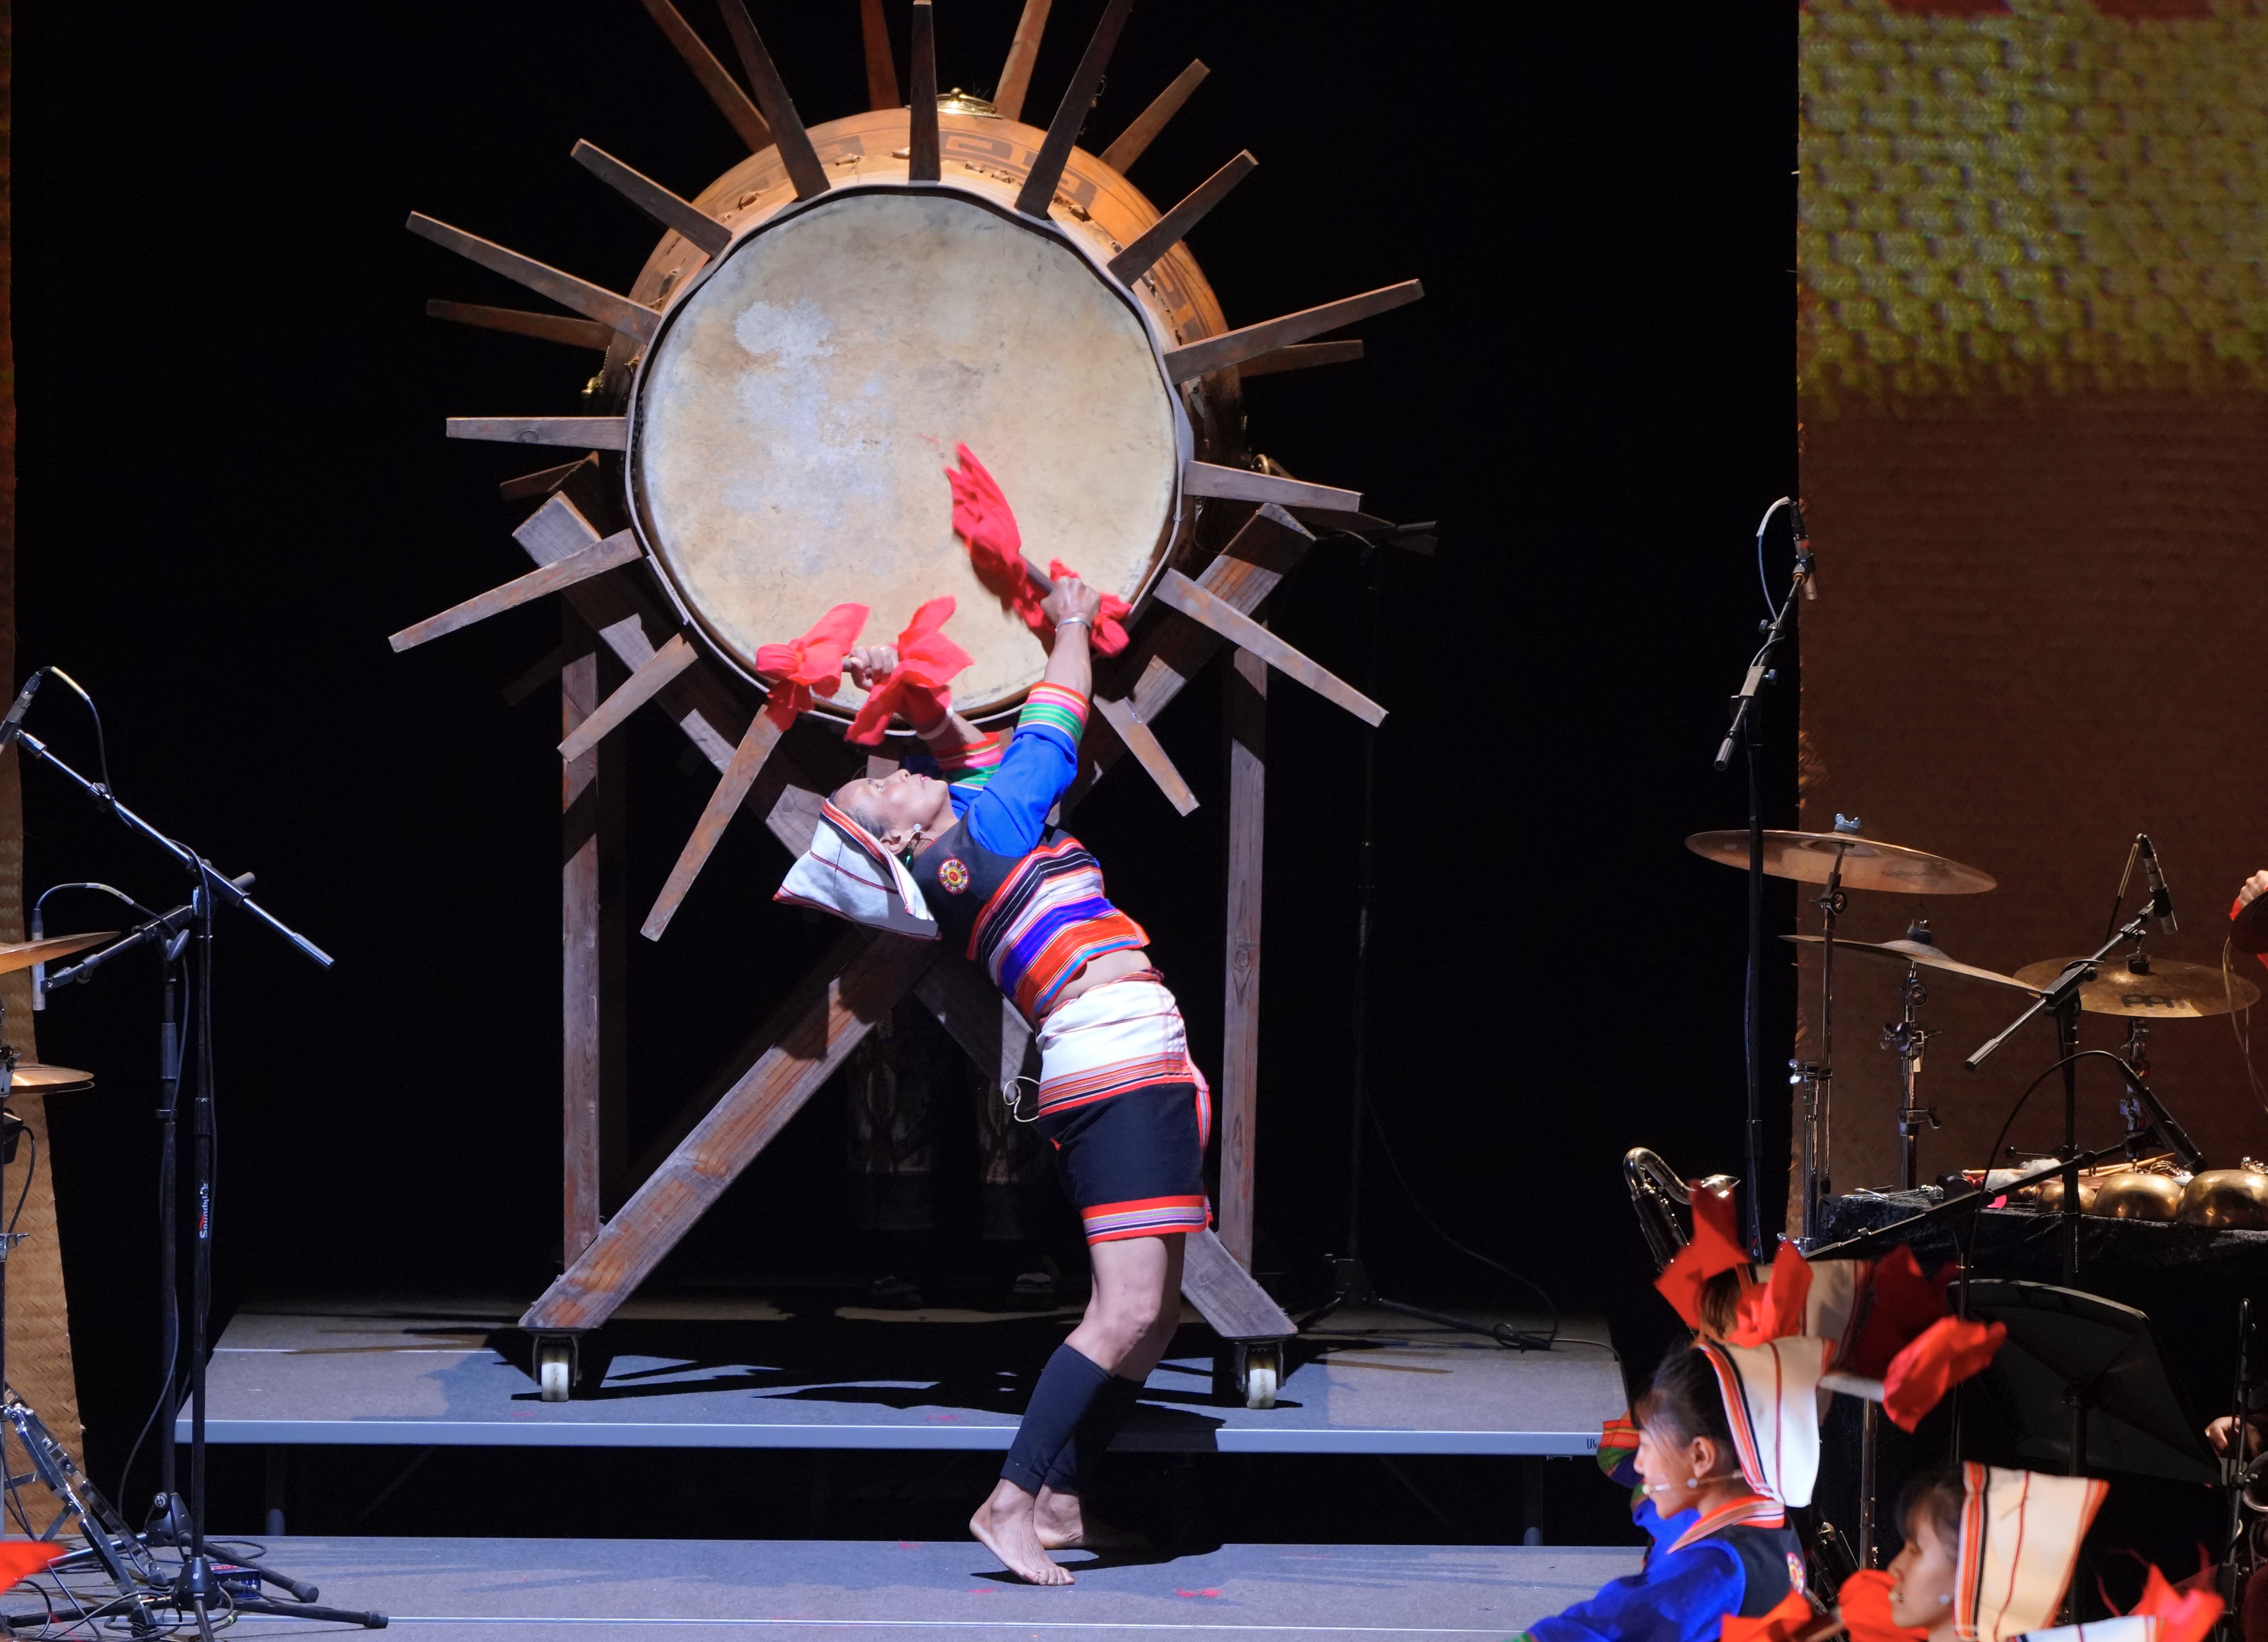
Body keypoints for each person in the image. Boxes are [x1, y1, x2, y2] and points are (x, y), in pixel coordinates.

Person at [776, 576, 1207, 1586]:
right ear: (900, 839)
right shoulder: (994, 829)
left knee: (1162, 1309)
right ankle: (1007, 1500)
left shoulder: (965, 832)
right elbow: (1055, 722)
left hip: (1123, 1044)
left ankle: (1061, 1499)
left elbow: (959, 749)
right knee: (1125, 1307)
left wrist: (914, 695)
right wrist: (1066, 623)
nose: (888, 766)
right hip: (1114, 1052)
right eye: (878, 786)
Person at [1520, 1344, 1806, 1640]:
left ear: (1700, 1457)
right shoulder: (1774, 1527)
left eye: (1646, 1446)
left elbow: (1600, 1631)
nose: (1640, 1464)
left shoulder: (1714, 1566)